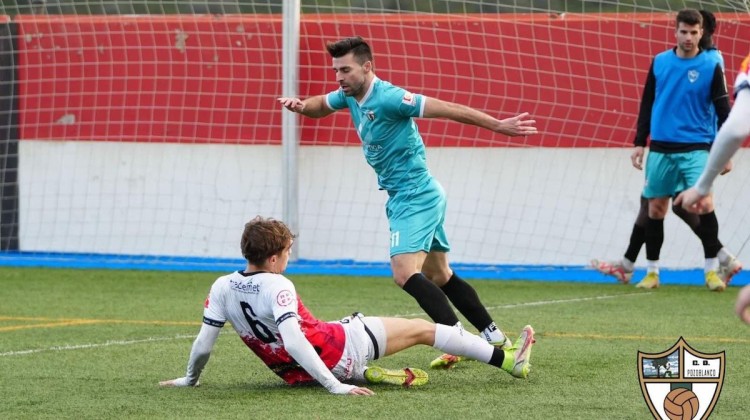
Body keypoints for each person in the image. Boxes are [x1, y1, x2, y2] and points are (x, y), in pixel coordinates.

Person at [278, 36, 537, 368]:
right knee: (441, 275)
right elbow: (319, 106)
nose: (339, 77)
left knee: (404, 273)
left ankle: (462, 342)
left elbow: (449, 109)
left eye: (346, 70)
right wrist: (301, 105)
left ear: (367, 67)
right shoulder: (350, 95)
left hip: (416, 196)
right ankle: (496, 338)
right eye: (336, 71)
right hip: (413, 195)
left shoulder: (389, 97)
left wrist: (498, 125)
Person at [159, 216, 536, 395]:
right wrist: (335, 385)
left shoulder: (222, 285)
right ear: (274, 258)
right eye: (288, 251)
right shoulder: (279, 286)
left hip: (293, 375)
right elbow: (294, 340)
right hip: (338, 352)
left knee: (336, 328)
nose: (289, 258)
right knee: (426, 330)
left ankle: (362, 372)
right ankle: (508, 362)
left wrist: (189, 379)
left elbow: (204, 344)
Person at [590, 9, 741, 287]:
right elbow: (647, 102)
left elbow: (723, 109)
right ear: (675, 31)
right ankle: (652, 271)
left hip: (697, 146)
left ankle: (710, 270)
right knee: (655, 207)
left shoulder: (711, 63)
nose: (688, 37)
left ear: (702, 33)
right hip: (660, 148)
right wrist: (639, 142)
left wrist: (726, 152)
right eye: (683, 31)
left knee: (701, 203)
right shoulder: (660, 62)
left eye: (694, 32)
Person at [674, 53, 750, 323]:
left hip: (698, 147)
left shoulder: (730, 63)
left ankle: (715, 262)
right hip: (668, 145)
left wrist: (702, 185)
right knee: (671, 204)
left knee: (683, 203)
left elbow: (737, 128)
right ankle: (721, 257)